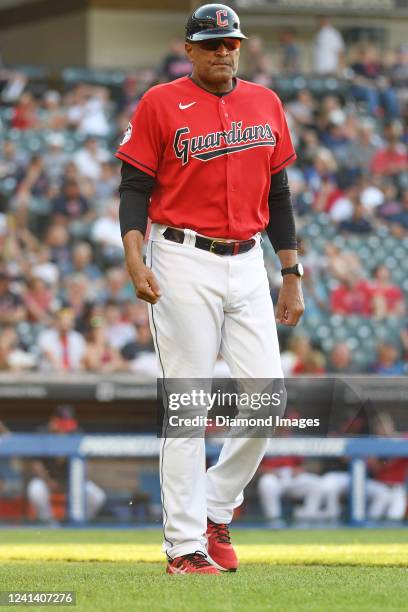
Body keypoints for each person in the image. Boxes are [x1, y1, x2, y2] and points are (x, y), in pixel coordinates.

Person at [116, 3, 304, 575]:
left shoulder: (265, 102)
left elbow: (279, 196)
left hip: (249, 261)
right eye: (213, 44)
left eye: (232, 44)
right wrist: (132, 256)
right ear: (190, 49)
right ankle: (184, 546)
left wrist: (291, 273)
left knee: (267, 396)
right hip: (180, 257)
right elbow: (133, 186)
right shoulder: (159, 103)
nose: (225, 53)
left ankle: (216, 507)